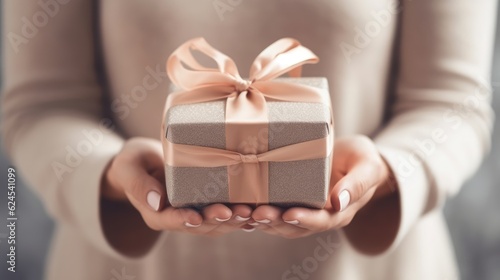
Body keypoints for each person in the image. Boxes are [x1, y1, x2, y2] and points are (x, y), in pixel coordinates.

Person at [1, 0, 496, 279]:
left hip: (369, 267)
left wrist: (389, 172)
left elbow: (452, 102)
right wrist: (107, 174)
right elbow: (42, 104)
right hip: (127, 266)